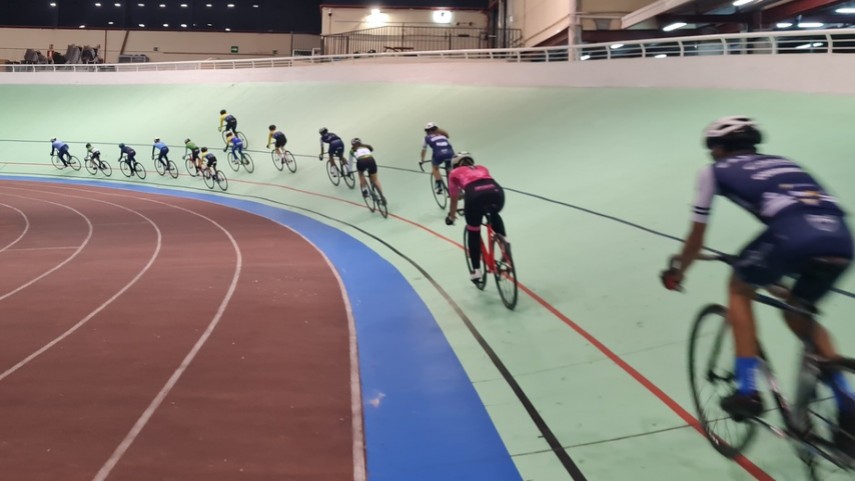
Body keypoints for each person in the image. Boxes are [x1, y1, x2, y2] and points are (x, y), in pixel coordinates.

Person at [660, 116, 855, 452]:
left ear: (718, 149)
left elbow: (696, 236)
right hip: (840, 239)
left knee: (739, 286)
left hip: (790, 237)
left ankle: (747, 391)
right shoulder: (784, 162)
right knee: (800, 312)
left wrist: (680, 269)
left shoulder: (714, 171)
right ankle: (848, 404)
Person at [444, 152, 507, 281]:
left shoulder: (454, 173)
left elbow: (454, 199)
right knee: (493, 213)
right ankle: (504, 243)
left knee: (473, 230)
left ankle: (476, 270)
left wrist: (451, 216)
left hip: (474, 197)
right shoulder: (482, 167)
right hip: (497, 193)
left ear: (455, 165)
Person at [420, 122, 455, 195]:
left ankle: (439, 186)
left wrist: (422, 160)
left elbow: (424, 150)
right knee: (450, 168)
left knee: (435, 168)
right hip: (451, 154)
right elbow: (447, 134)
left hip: (439, 155)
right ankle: (456, 185)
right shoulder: (443, 135)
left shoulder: (426, 138)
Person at [350, 138, 384, 203]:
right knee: (375, 179)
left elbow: (351, 160)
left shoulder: (352, 150)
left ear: (352, 145)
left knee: (361, 174)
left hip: (361, 161)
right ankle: (381, 196)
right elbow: (371, 149)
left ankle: (364, 190)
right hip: (371, 160)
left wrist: (350, 170)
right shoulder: (367, 146)